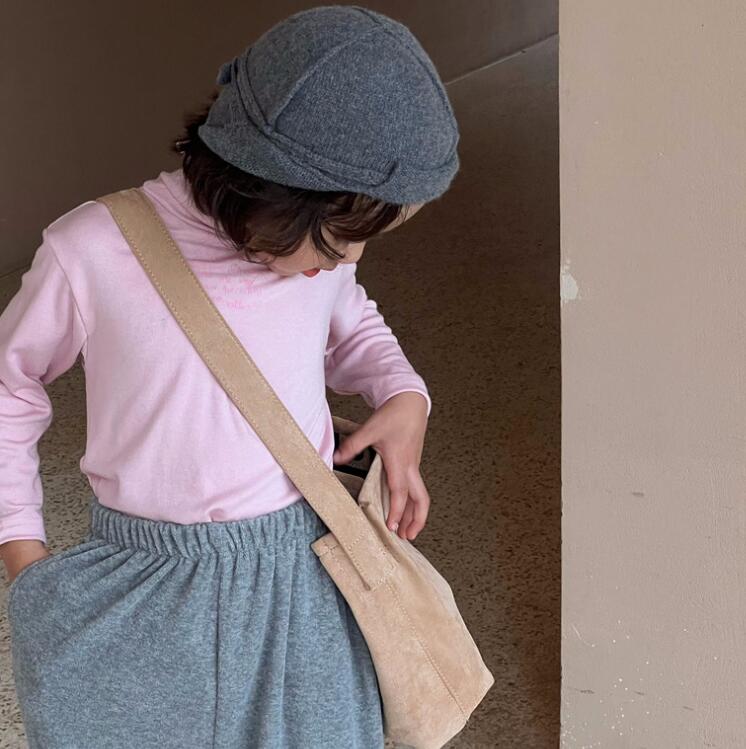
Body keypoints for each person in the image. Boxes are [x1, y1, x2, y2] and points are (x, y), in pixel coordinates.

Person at [0, 5, 460, 747]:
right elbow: (8, 386)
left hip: (300, 569)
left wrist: (405, 395)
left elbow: (355, 325)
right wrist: (21, 547)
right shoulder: (91, 249)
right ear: (272, 192)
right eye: (339, 239)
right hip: (139, 576)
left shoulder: (319, 266)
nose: (349, 260)